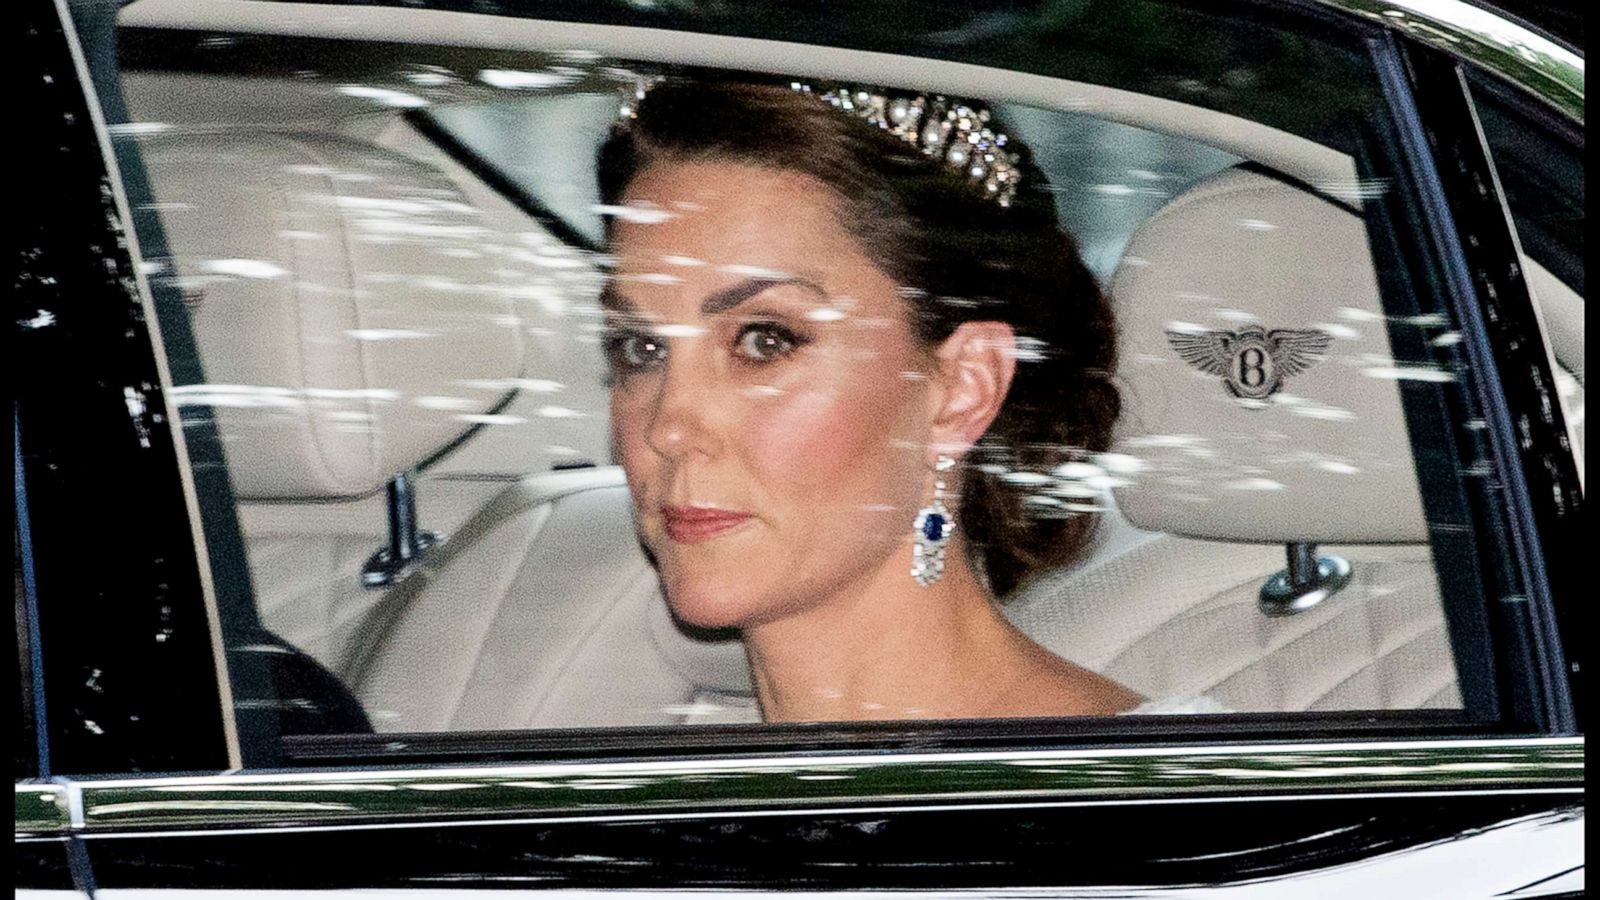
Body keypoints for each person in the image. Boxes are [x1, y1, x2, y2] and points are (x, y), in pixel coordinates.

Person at [595, 78, 1149, 722]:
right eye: (639, 349)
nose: (669, 426)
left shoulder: (1164, 803)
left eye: (764, 341)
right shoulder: (640, 788)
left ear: (961, 390)